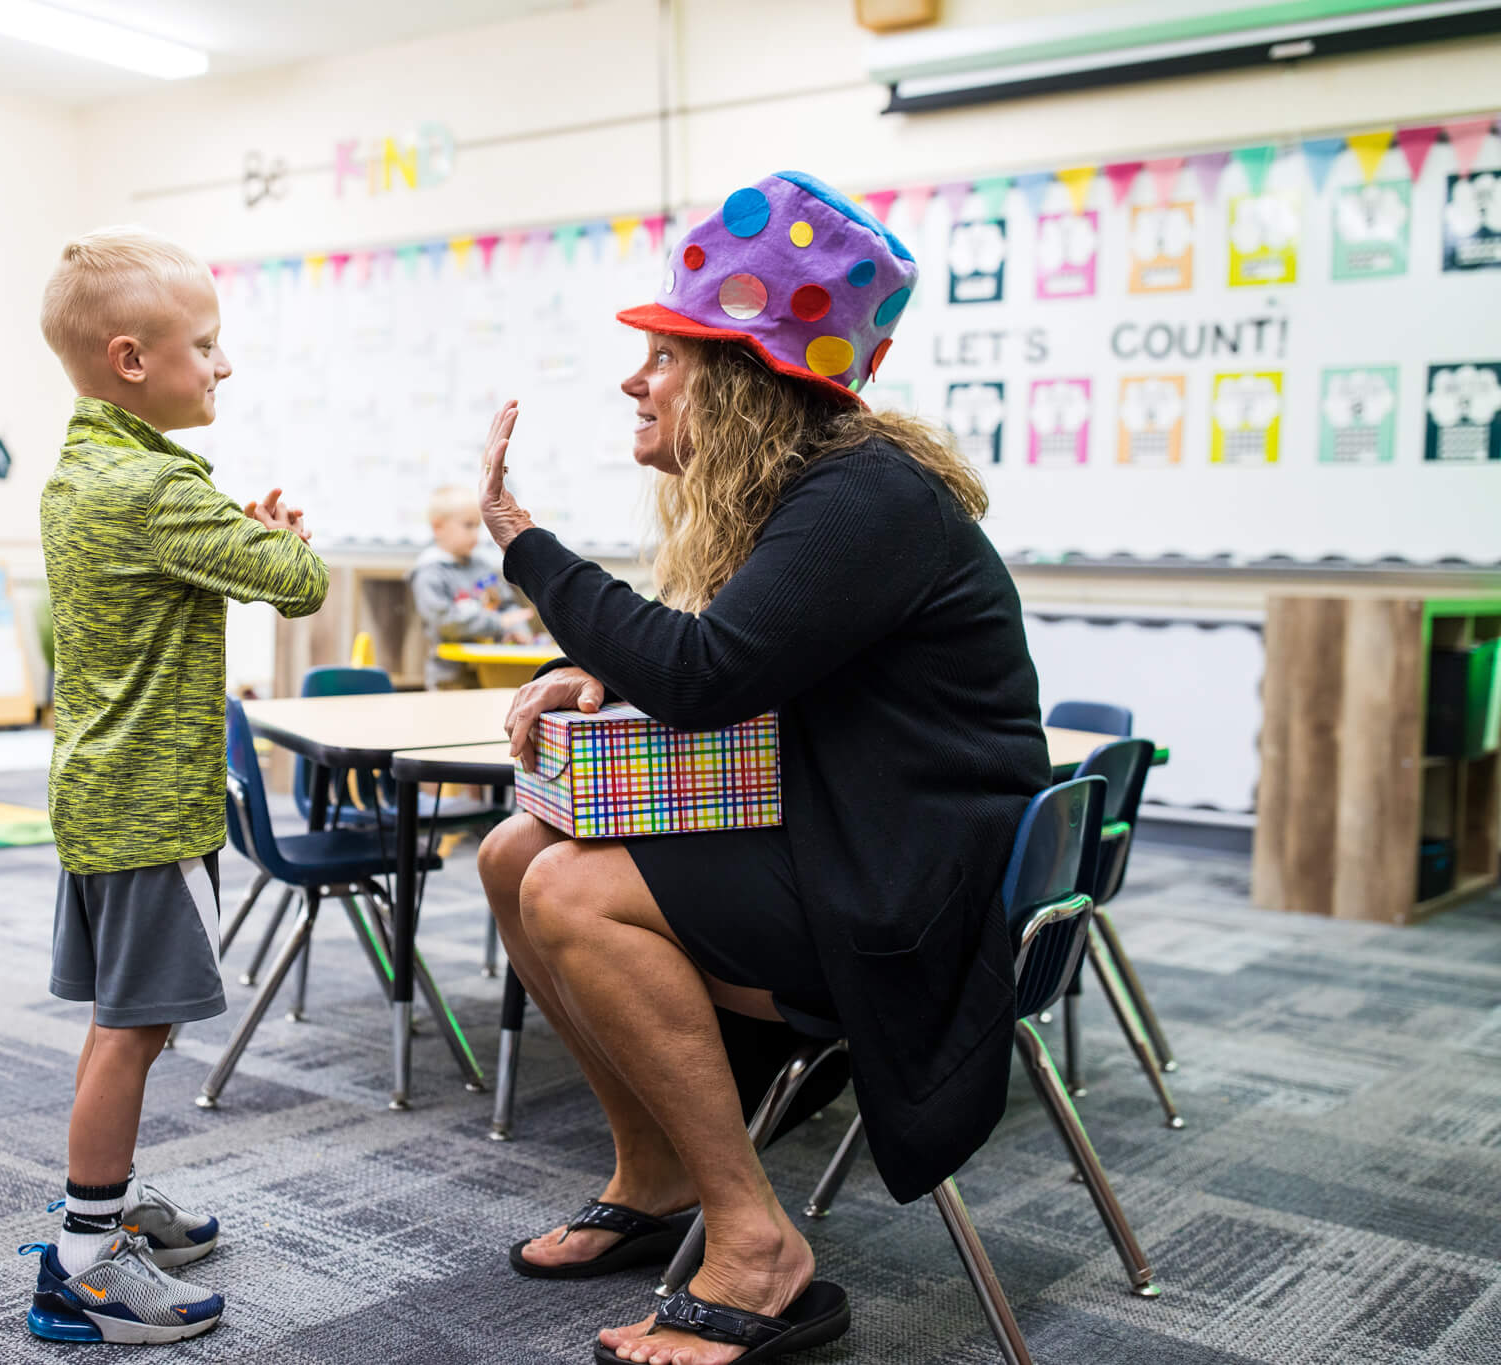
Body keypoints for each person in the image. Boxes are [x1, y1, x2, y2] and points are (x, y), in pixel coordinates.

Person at [475, 173, 1050, 1365]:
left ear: (739, 378)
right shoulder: (823, 492)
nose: (636, 379)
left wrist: (527, 548)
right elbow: (744, 669)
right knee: (509, 853)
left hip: (910, 883)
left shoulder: (866, 495)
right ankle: (656, 1178)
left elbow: (707, 675)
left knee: (569, 889)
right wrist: (615, 673)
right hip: (852, 829)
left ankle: (756, 1245)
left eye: (668, 356)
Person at [31, 226, 329, 1345]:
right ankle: (83, 1265)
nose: (222, 365)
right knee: (134, 1027)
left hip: (104, 790)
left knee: (130, 1024)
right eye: (205, 346)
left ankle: (98, 1211)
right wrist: (278, 536)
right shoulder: (156, 489)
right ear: (129, 361)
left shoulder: (84, 467)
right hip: (151, 804)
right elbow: (298, 585)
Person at [409, 483, 535, 688]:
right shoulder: (429, 572)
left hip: (490, 673)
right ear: (438, 527)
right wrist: (498, 623)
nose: (475, 534)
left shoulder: (483, 569)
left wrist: (518, 629)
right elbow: (444, 621)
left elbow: (507, 607)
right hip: (449, 679)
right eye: (468, 525)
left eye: (478, 526)